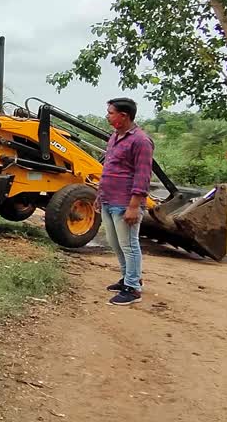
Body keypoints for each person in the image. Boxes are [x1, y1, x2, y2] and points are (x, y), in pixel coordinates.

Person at [96, 97, 154, 306]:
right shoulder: (114, 137)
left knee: (129, 244)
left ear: (124, 116)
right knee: (115, 243)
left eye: (111, 113)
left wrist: (134, 206)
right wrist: (99, 196)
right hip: (108, 200)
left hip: (124, 203)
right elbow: (109, 169)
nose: (108, 116)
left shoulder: (141, 141)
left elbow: (143, 175)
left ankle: (133, 288)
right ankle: (127, 278)